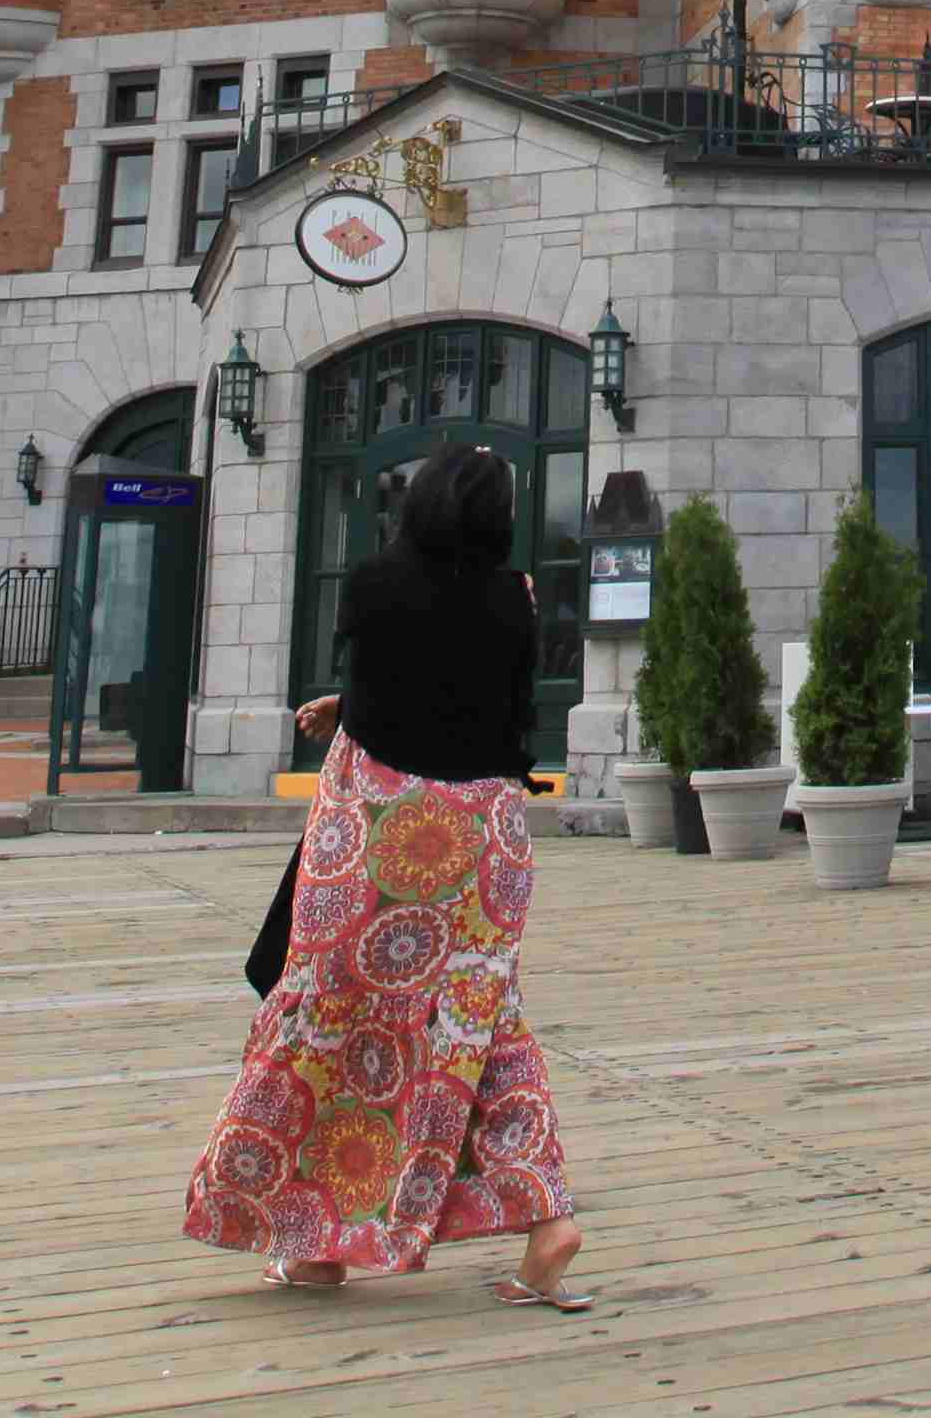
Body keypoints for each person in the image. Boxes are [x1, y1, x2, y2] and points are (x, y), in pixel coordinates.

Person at [185, 441, 584, 1311]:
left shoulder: (372, 585)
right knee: (485, 1026)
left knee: (329, 1020)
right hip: (483, 841)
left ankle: (318, 1245)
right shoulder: (515, 601)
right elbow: (495, 714)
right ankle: (547, 1220)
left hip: (379, 833)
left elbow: (383, 708)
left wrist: (340, 709)